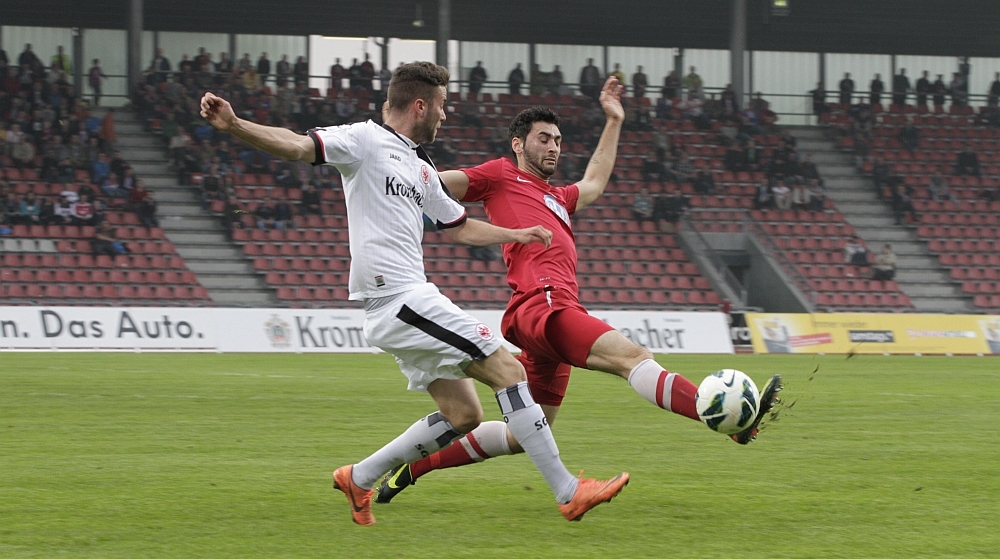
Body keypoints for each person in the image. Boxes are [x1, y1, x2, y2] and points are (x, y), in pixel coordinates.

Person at [200, 62, 627, 524]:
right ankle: (568, 491)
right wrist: (236, 124)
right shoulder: (364, 140)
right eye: (441, 106)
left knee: (463, 414)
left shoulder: (421, 167)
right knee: (509, 371)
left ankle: (359, 477)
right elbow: (299, 145)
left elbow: (459, 227)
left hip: (406, 304)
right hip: (400, 299)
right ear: (420, 105)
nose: (445, 115)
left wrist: (516, 234)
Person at [374, 81, 782, 505]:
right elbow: (430, 183)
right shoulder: (500, 174)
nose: (553, 147)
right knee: (633, 358)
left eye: (557, 141)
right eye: (543, 139)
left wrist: (614, 120)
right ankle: (718, 414)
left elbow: (595, 182)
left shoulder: (558, 197)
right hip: (542, 304)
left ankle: (412, 469)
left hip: (549, 311)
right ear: (518, 144)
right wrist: (391, 169)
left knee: (523, 434)